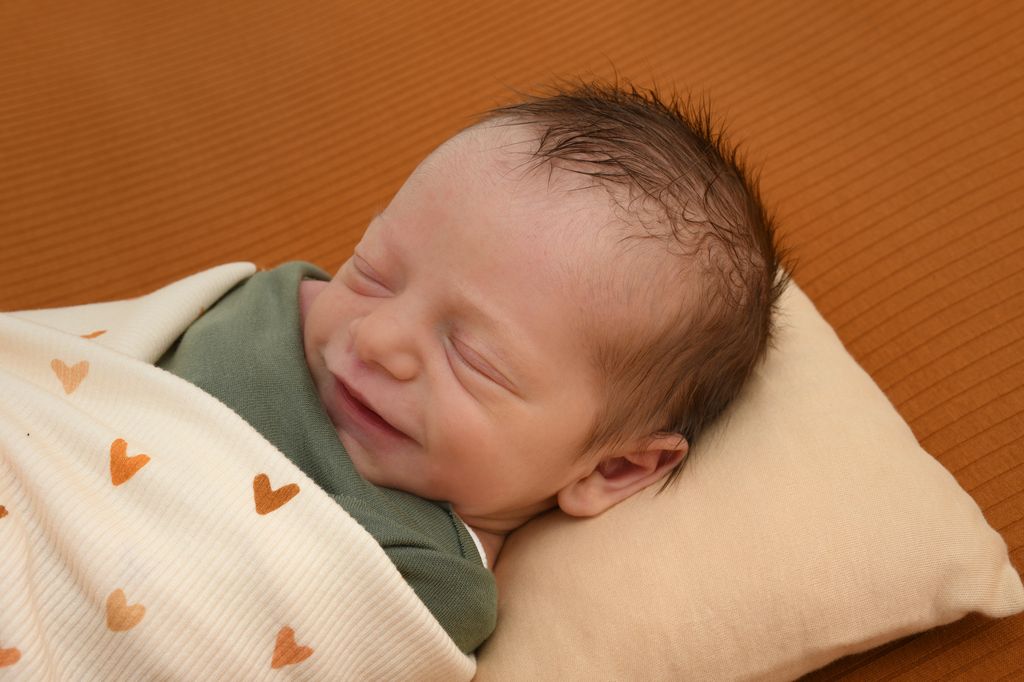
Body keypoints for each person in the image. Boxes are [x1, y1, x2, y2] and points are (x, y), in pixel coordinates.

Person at [158, 81, 787, 652]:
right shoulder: (273, 306)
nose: (376, 337)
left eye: (473, 358)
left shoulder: (420, 579)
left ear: (613, 466)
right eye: (373, 272)